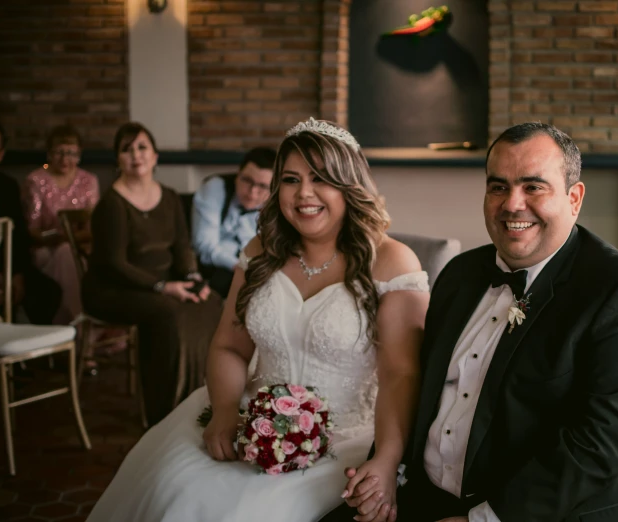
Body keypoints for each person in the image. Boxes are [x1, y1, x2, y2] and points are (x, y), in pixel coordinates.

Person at [325, 122, 618, 522]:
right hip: (429, 498)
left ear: (574, 198)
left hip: (545, 511)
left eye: (533, 186)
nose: (512, 204)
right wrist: (387, 464)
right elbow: (421, 391)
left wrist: (482, 520)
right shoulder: (460, 274)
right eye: (498, 187)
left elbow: (602, 442)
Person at [86, 117, 430, 522]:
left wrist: (388, 459)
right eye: (290, 179)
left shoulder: (391, 262)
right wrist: (226, 410)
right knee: (174, 493)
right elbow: (230, 346)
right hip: (249, 418)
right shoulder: (260, 251)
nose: (304, 193)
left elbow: (400, 375)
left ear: (349, 183)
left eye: (321, 178)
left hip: (350, 438)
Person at [82, 121, 223, 426]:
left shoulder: (170, 197)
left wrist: (192, 277)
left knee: (210, 302)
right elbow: (115, 264)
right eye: (126, 149)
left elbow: (183, 247)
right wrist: (164, 287)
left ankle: (201, 398)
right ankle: (162, 413)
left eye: (142, 147)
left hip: (162, 285)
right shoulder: (112, 204)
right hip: (113, 289)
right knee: (166, 313)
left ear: (156, 156)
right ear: (118, 159)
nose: (136, 154)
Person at [0, 118, 60, 325]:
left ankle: (37, 354)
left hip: (7, 265)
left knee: (49, 292)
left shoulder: (8, 185)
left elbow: (20, 236)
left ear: (1, 154)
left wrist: (16, 273)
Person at [23, 124, 100, 326]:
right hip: (45, 250)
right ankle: (80, 325)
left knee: (73, 255)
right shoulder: (36, 180)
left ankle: (69, 329)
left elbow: (93, 228)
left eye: (71, 153)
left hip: (82, 248)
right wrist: (64, 237)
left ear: (79, 154)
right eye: (59, 152)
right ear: (49, 154)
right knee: (66, 253)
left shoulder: (89, 181)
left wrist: (73, 240)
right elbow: (33, 230)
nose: (65, 159)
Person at [191, 146, 276, 297]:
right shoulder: (216, 187)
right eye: (247, 180)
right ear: (238, 174)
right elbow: (205, 245)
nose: (252, 192)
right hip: (216, 269)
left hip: (257, 270)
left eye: (263, 186)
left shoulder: (278, 204)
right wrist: (238, 266)